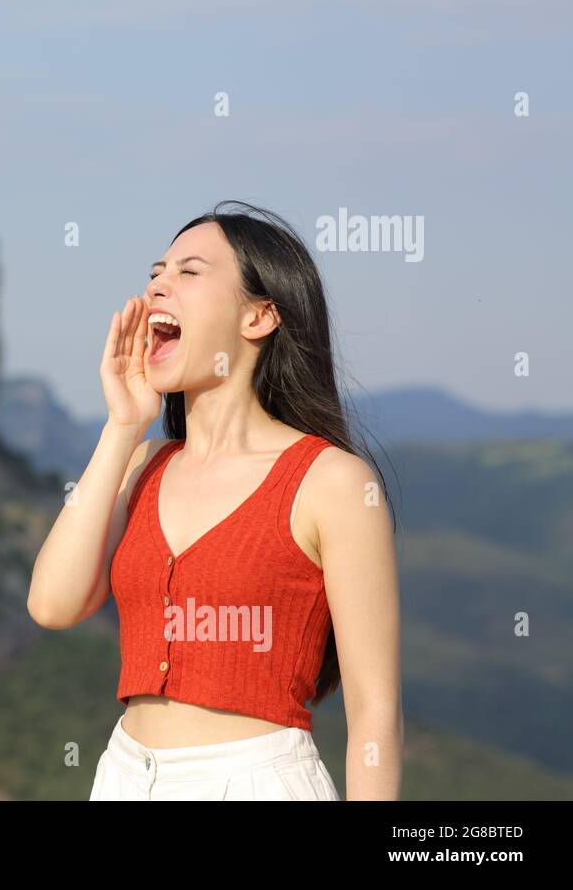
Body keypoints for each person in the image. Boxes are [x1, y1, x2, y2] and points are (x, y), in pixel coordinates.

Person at [27, 201, 402, 800]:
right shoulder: (141, 463)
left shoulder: (332, 483)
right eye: (155, 273)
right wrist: (123, 425)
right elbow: (53, 603)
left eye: (188, 272)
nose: (157, 288)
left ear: (258, 317)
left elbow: (375, 714)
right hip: (124, 774)